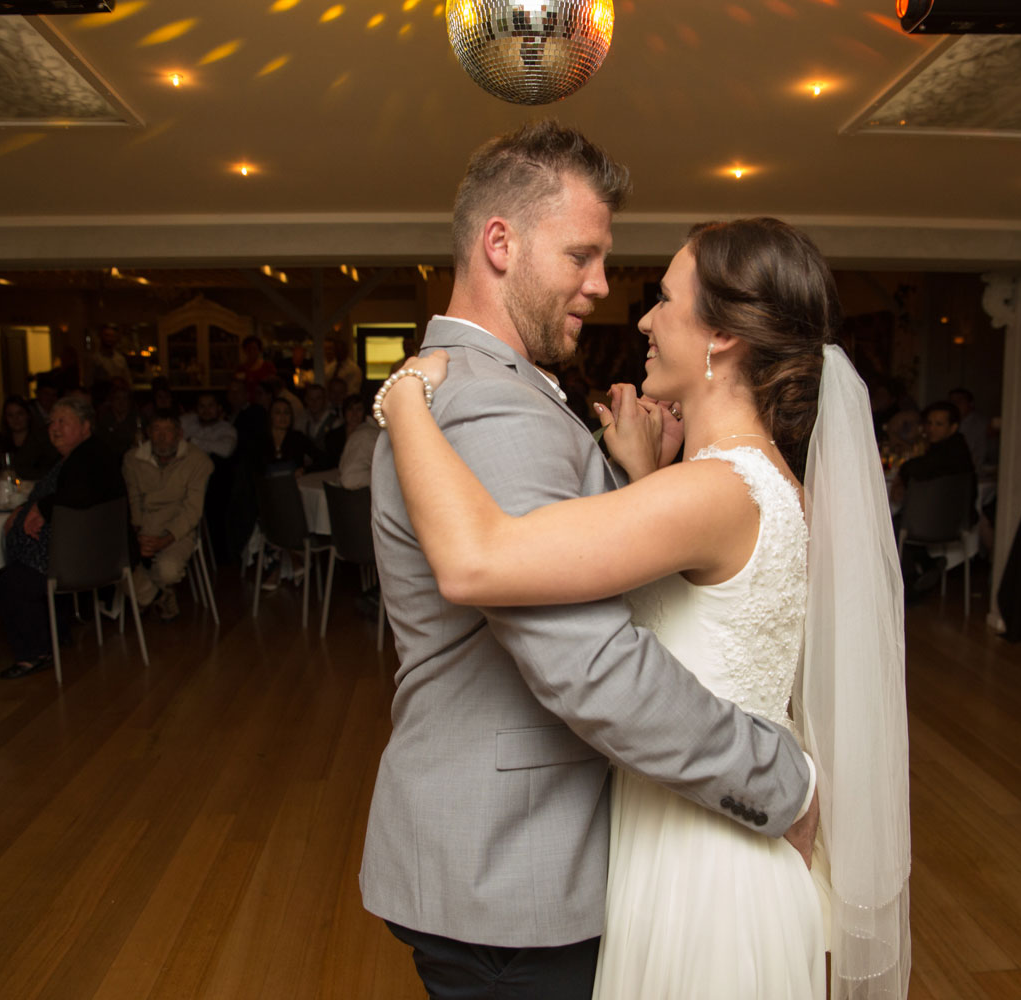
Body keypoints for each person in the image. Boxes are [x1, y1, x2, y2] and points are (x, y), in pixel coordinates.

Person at [360, 125, 837, 1000]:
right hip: (517, 865)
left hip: (579, 854)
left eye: (645, 285)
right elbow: (583, 657)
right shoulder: (490, 406)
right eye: (583, 255)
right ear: (499, 244)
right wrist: (783, 784)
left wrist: (633, 477)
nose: (608, 290)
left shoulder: (466, 390)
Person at [0, 396, 125, 679]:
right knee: (17, 576)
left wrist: (40, 507)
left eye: (62, 422)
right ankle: (55, 636)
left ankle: (35, 654)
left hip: (79, 560)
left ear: (86, 426)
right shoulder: (80, 456)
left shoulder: (91, 456)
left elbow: (82, 494)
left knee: (11, 583)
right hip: (78, 554)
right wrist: (28, 508)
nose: (54, 428)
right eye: (51, 422)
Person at [122, 410, 212, 622]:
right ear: (147, 434)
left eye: (168, 431)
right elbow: (133, 500)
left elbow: (192, 510)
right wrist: (138, 534)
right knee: (113, 564)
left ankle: (149, 593)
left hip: (178, 528)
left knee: (168, 571)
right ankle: (157, 595)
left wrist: (165, 540)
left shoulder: (198, 461)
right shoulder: (132, 459)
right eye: (156, 430)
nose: (162, 436)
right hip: (144, 526)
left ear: (179, 434)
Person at [892, 400, 977, 597]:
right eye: (929, 423)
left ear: (953, 427)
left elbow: (918, 468)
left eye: (939, 424)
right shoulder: (952, 450)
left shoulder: (951, 452)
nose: (932, 429)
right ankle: (927, 565)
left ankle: (911, 583)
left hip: (941, 521)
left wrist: (901, 476)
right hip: (952, 521)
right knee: (899, 523)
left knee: (892, 526)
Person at [0, 394, 58, 480]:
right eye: (10, 415)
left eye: (20, 413)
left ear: (28, 415)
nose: (16, 419)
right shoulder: (0, 443)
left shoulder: (42, 441)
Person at [335, 394, 380, 489]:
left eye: (359, 409)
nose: (354, 414)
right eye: (350, 409)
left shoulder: (372, 433)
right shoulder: (367, 435)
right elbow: (349, 479)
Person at [179, 391, 238, 461]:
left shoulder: (226, 429)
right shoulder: (188, 421)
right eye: (202, 406)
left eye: (210, 406)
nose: (206, 410)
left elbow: (226, 449)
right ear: (197, 408)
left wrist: (192, 441)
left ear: (219, 408)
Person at [948, 386, 991, 472]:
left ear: (971, 403)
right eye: (952, 402)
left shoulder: (981, 424)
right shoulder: (949, 422)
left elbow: (979, 454)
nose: (955, 405)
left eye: (959, 401)